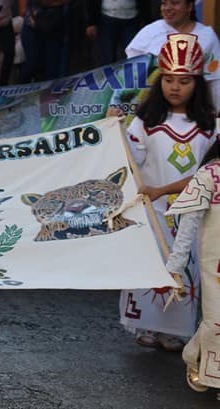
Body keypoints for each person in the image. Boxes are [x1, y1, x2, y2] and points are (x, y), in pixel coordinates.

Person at [113, 33, 217, 351]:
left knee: (187, 266)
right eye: (168, 79)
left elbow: (208, 174)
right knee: (151, 261)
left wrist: (165, 190)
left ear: (197, 83)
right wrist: (115, 128)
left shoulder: (210, 127)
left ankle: (175, 329)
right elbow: (130, 159)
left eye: (183, 81)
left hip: (192, 215)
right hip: (152, 210)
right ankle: (145, 325)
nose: (174, 87)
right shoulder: (145, 122)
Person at [165, 137, 220, 394]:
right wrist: (176, 265)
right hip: (216, 266)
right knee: (216, 320)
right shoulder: (210, 174)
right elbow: (187, 225)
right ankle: (207, 368)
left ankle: (197, 356)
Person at [125, 0, 220, 109]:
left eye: (174, 3)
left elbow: (214, 79)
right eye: (164, 3)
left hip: (193, 109)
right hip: (153, 108)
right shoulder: (149, 32)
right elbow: (130, 75)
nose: (167, 8)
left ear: (189, 6)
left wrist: (215, 111)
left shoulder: (207, 36)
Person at [18, 0, 70, 83]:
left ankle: (48, 94)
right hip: (33, 26)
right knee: (31, 65)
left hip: (55, 26)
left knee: (52, 69)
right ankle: (21, 93)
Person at [85, 0, 148, 65]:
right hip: (107, 18)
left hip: (132, 19)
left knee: (134, 55)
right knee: (107, 57)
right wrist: (91, 22)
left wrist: (146, 20)